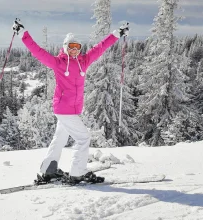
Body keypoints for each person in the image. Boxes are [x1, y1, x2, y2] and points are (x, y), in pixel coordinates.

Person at [12, 19, 129, 183]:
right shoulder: (58, 63)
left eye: (77, 47)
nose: (74, 50)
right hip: (63, 109)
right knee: (83, 138)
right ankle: (77, 172)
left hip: (72, 110)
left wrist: (117, 34)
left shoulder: (84, 62)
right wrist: (23, 34)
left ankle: (48, 170)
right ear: (65, 47)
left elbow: (100, 48)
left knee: (59, 138)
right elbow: (38, 51)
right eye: (71, 47)